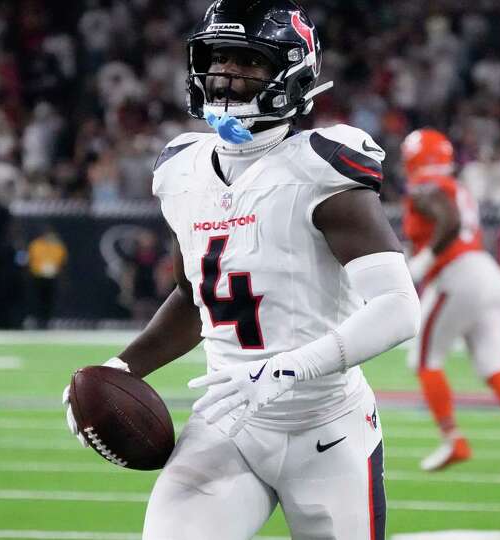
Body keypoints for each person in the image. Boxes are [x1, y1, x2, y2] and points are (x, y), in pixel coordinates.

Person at [62, 2, 420, 538]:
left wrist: (287, 368)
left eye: (248, 61)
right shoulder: (181, 168)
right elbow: (194, 297)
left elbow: (398, 309)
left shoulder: (321, 167)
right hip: (226, 420)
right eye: (218, 58)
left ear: (291, 72)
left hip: (327, 429)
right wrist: (122, 366)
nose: (226, 74)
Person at [401, 128, 500, 475]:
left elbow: (449, 221)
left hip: (458, 275)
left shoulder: (429, 185)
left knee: (425, 359)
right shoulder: (456, 186)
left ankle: (452, 438)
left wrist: (425, 261)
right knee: (492, 364)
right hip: (486, 273)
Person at [27, 227, 67, 329]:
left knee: (49, 300)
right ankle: (36, 320)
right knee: (37, 299)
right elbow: (31, 259)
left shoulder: (57, 246)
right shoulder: (36, 245)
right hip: (38, 276)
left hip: (51, 277)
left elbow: (62, 261)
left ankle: (47, 321)